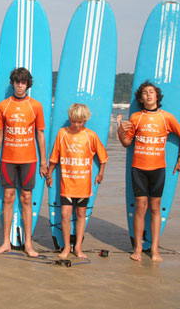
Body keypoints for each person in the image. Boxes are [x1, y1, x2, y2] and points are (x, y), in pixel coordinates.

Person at [118, 81, 180, 262]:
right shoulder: (135, 118)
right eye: (145, 93)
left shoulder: (166, 117)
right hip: (139, 168)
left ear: (157, 96)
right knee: (141, 206)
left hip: (158, 168)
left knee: (155, 207)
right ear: (141, 99)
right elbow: (126, 143)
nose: (148, 95)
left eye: (151, 92)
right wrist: (120, 131)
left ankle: (155, 249)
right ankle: (138, 248)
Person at [0, 67, 47, 257]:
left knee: (26, 199)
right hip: (7, 159)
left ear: (27, 85)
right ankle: (6, 242)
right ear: (13, 83)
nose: (19, 86)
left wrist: (43, 161)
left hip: (29, 160)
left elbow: (40, 134)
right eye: (17, 82)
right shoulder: (3, 106)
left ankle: (28, 244)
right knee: (7, 198)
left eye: (23, 82)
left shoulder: (36, 106)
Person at [46, 103, 108, 259]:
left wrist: (101, 173)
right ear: (70, 119)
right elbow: (55, 156)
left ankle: (78, 247)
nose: (76, 125)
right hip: (67, 182)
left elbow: (103, 157)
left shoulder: (90, 135)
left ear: (85, 120)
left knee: (81, 214)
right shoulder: (62, 133)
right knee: (65, 215)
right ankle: (66, 247)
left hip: (83, 184)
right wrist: (50, 173)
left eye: (80, 122)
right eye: (73, 121)